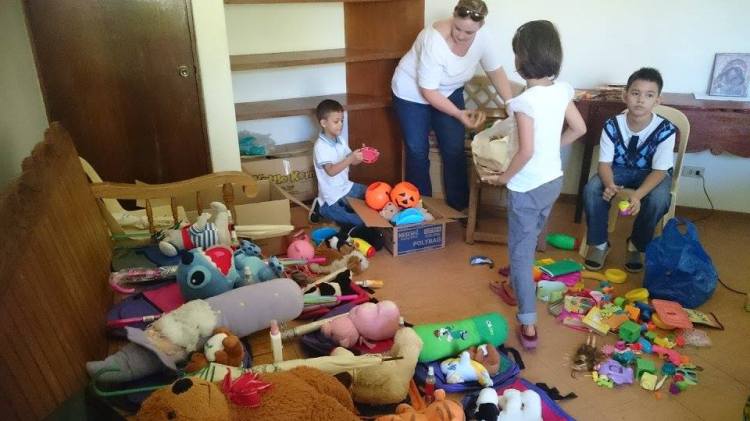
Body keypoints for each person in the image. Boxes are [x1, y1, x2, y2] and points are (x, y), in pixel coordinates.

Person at [483, 20, 587, 350]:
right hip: (552, 181)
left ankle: (528, 324)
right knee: (530, 237)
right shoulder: (562, 89)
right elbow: (579, 128)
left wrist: (503, 177)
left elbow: (526, 151)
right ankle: (517, 282)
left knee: (521, 254)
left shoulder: (523, 102)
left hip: (526, 187)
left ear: (521, 59)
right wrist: (550, 148)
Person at [391, 0, 513, 211]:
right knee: (417, 150)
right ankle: (421, 209)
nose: (461, 36)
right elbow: (428, 91)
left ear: (480, 26)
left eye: (469, 32)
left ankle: (460, 207)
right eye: (458, 28)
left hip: (449, 90)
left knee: (454, 148)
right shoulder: (433, 40)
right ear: (453, 17)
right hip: (412, 94)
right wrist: (458, 113)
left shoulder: (484, 37)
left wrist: (510, 102)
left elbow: (495, 70)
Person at [583, 68, 676, 273]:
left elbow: (660, 171)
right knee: (592, 189)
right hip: (618, 170)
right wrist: (609, 185)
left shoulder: (666, 129)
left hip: (652, 174)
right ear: (625, 96)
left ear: (657, 100)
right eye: (635, 93)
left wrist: (637, 195)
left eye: (649, 95)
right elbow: (604, 164)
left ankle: (636, 244)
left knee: (659, 199)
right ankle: (599, 244)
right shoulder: (611, 125)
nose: (641, 100)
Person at [309, 99, 366, 226]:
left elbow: (353, 162)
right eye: (336, 121)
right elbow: (331, 171)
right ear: (323, 123)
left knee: (373, 194)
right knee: (360, 222)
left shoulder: (340, 140)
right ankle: (321, 208)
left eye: (342, 121)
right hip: (331, 197)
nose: (340, 125)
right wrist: (350, 158)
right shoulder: (320, 146)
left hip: (346, 187)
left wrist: (361, 155)